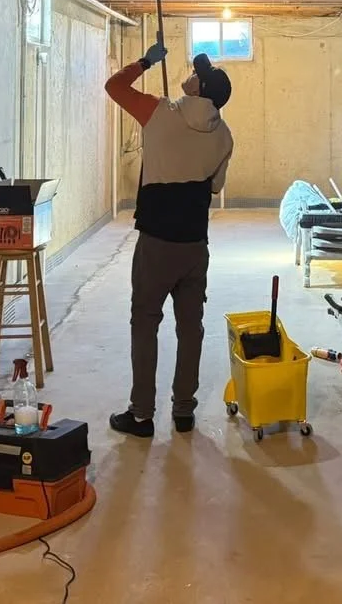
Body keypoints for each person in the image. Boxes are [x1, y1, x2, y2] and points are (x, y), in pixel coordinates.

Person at [104, 44, 234, 437]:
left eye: (197, 74)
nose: (191, 74)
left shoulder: (158, 112)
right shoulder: (224, 136)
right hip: (194, 245)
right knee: (189, 328)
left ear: (198, 89)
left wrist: (146, 62)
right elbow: (214, 187)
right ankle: (183, 411)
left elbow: (114, 86)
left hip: (157, 243)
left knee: (145, 323)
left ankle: (142, 414)